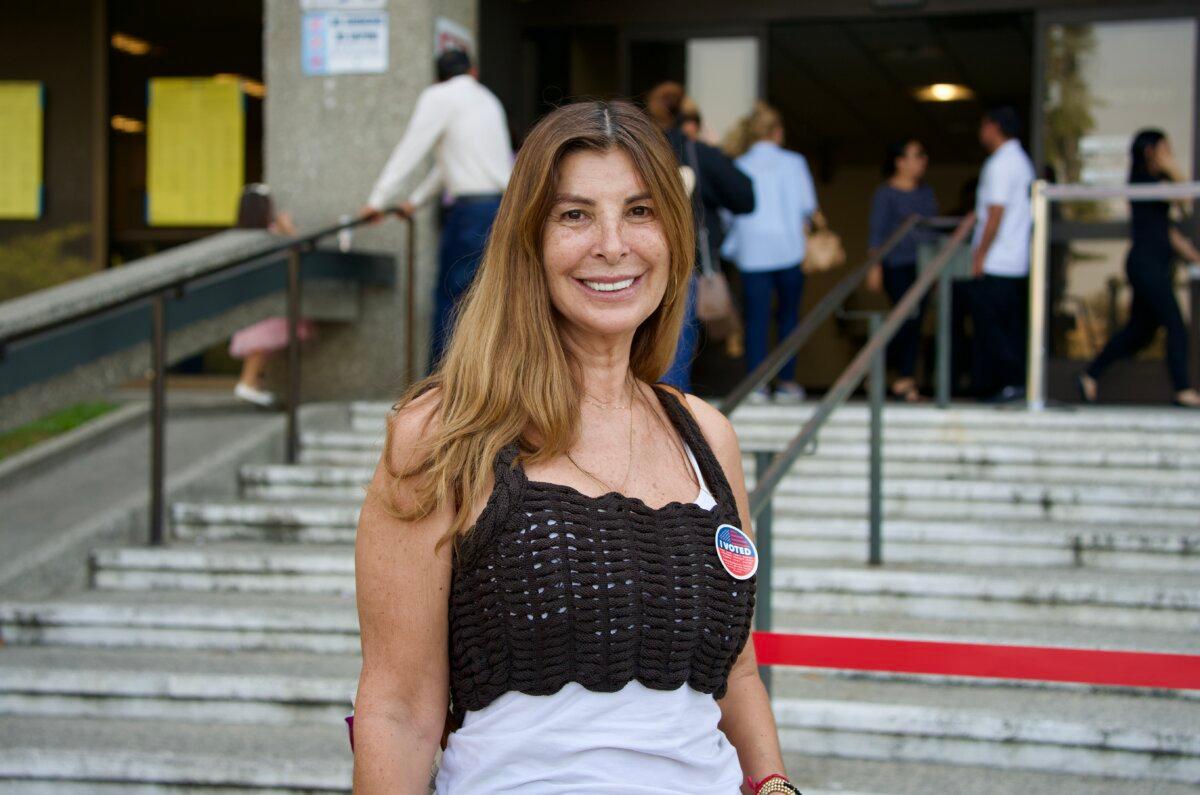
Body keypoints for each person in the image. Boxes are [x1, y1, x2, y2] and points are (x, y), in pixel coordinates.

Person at [351, 100, 797, 794]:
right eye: (575, 215)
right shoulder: (444, 434)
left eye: (641, 211)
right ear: (528, 240)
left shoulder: (707, 436)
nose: (613, 244)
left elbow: (736, 673)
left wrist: (774, 783)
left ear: (675, 235)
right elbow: (399, 711)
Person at [360, 49, 513, 371]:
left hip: (472, 213)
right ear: (472, 71)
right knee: (491, 298)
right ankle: (486, 379)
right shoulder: (487, 100)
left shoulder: (440, 97)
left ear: (438, 76)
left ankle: (441, 386)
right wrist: (415, 201)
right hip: (502, 208)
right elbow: (449, 165)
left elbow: (411, 148)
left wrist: (378, 199)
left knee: (451, 297)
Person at [646, 82, 755, 392]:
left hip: (635, 265)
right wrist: (715, 149)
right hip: (686, 266)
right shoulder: (699, 153)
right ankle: (673, 427)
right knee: (675, 352)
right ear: (691, 122)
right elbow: (745, 198)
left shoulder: (642, 154)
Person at [1079, 130, 1200, 407]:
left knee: (1138, 333)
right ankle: (1182, 389)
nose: (1170, 155)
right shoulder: (1142, 181)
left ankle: (1090, 375)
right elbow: (1188, 200)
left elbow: (1167, 232)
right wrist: (1172, 169)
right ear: (1150, 152)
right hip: (1144, 266)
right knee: (1175, 325)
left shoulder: (1155, 187)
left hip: (1154, 266)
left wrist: (1195, 257)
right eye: (1165, 149)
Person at [720, 102, 817, 403]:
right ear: (777, 132)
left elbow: (728, 212)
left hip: (753, 252)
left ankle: (757, 384)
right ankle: (787, 383)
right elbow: (808, 206)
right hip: (789, 248)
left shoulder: (738, 165)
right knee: (788, 316)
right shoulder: (794, 162)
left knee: (756, 319)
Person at [968, 106, 1035, 403]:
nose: (980, 132)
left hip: (998, 260)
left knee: (992, 329)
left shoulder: (1001, 164)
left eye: (983, 125)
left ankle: (1006, 383)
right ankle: (1011, 384)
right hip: (1015, 260)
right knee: (1007, 327)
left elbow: (995, 213)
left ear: (994, 127)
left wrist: (979, 255)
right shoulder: (1021, 162)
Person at [865, 138, 939, 402]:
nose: (922, 160)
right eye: (916, 155)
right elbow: (877, 233)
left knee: (915, 322)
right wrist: (875, 268)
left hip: (924, 265)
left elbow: (933, 231)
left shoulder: (925, 192)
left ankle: (904, 378)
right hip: (896, 265)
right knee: (904, 319)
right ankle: (879, 368)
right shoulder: (886, 193)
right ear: (900, 161)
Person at [228, 184, 315, 407]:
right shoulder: (274, 233)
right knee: (262, 340)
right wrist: (288, 229)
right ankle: (248, 382)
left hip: (249, 296)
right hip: (270, 298)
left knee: (262, 342)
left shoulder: (239, 237)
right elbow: (304, 250)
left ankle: (254, 383)